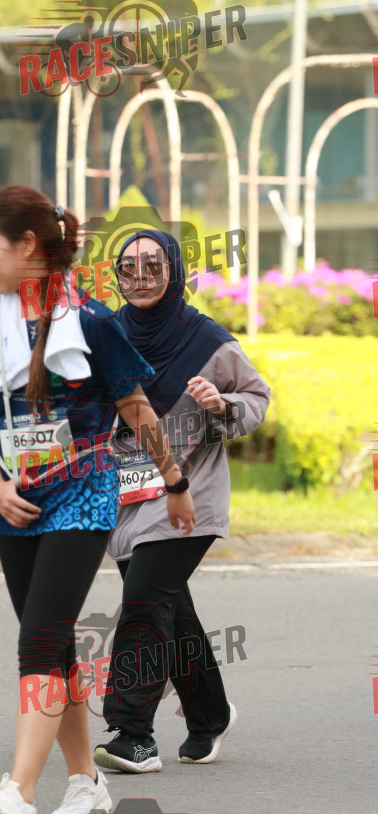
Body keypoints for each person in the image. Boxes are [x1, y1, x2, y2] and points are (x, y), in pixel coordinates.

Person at [0, 186, 195, 814]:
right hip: (16, 502)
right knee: (54, 646)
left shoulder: (91, 322)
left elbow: (136, 407)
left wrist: (174, 480)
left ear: (28, 245)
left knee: (36, 643)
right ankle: (87, 780)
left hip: (82, 495)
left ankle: (19, 792)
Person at [93, 229, 270, 773]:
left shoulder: (206, 339)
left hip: (189, 492)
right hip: (127, 495)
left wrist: (221, 404)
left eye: (153, 266)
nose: (140, 277)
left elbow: (256, 398)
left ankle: (132, 734)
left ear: (173, 270)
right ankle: (210, 714)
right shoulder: (108, 334)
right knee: (172, 610)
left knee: (145, 600)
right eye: (128, 268)